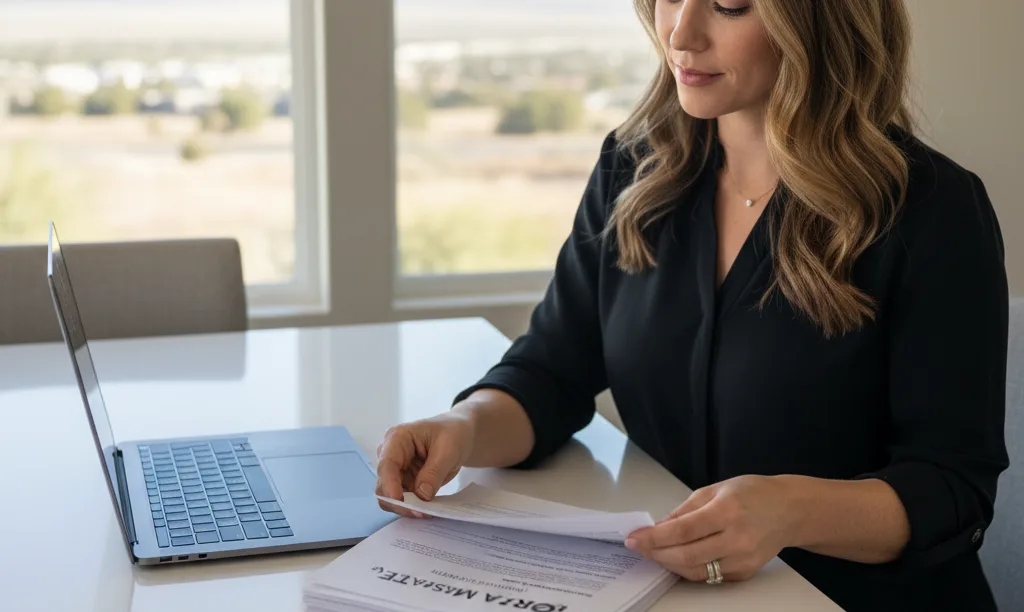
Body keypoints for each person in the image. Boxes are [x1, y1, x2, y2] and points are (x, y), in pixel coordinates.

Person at [374, 1, 1010, 610]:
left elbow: (952, 487)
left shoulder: (932, 211)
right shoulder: (632, 168)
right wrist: (465, 426)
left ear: (820, 18)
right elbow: (552, 369)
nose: (680, 34)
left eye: (730, 6)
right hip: (671, 592)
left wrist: (787, 510)